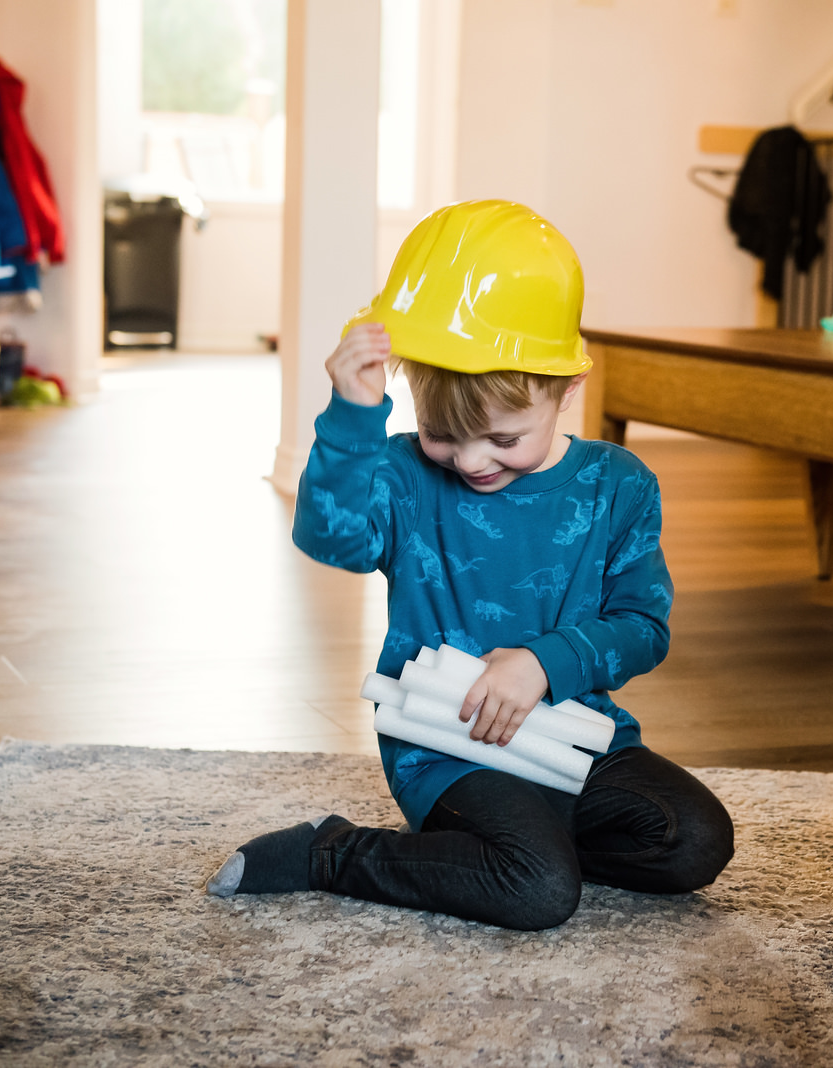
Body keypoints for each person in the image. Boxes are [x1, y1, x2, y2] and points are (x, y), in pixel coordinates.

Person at [207, 200, 733, 929]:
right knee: (539, 890)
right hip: (449, 746)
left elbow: (644, 625)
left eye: (503, 438)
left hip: (575, 732)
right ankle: (332, 853)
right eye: (442, 434)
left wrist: (544, 663)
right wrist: (355, 416)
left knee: (696, 841)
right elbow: (331, 538)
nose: (472, 460)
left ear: (566, 390)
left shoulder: (620, 485)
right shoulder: (404, 474)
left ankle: (501, 848)